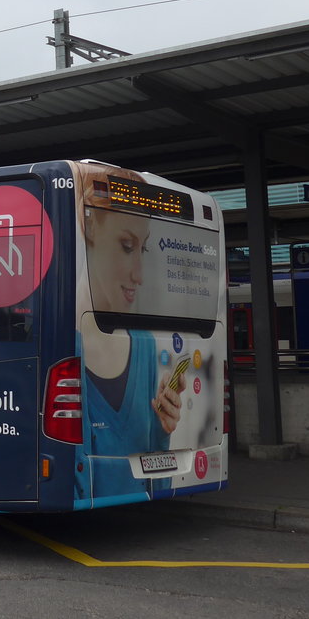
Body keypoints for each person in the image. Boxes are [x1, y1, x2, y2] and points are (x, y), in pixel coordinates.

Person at [75, 165, 182, 497]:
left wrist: (163, 433)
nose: (139, 275)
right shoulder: (63, 346)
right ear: (89, 227)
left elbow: (153, 484)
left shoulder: (145, 346)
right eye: (126, 245)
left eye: (143, 249)